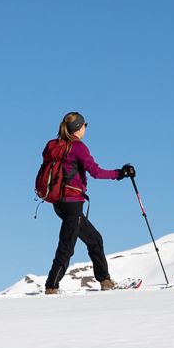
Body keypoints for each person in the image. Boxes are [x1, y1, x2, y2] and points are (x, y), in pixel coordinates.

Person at [42, 111, 135, 294]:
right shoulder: (77, 147)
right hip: (73, 202)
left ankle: (105, 280)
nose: (85, 128)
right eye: (84, 125)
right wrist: (120, 173)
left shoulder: (56, 146)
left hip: (59, 202)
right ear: (78, 127)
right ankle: (51, 286)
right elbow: (95, 172)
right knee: (67, 246)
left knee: (95, 239)